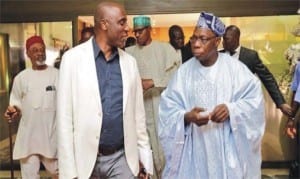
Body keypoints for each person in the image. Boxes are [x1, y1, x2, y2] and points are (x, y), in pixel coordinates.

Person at [158, 12, 265, 178]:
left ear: (217, 41)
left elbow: (255, 103)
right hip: (194, 153)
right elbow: (167, 109)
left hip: (227, 155)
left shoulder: (235, 70)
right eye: (194, 38)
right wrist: (186, 117)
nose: (196, 44)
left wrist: (231, 109)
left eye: (203, 39)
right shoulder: (183, 73)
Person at [57, 2, 153, 179]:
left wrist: (144, 160)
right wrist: (69, 173)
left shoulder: (130, 63)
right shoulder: (72, 60)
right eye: (122, 22)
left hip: (122, 160)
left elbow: (138, 117)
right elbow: (64, 120)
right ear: (104, 24)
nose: (128, 28)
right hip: (84, 161)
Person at [126, 15, 181, 179]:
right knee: (143, 153)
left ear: (150, 29)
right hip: (139, 111)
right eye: (135, 32)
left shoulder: (165, 49)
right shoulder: (128, 54)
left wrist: (152, 82)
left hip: (160, 109)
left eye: (140, 31)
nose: (137, 35)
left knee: (163, 151)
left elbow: (176, 77)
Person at [3, 35, 59, 179]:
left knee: (60, 174)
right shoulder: (21, 78)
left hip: (51, 137)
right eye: (34, 50)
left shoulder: (57, 75)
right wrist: (13, 110)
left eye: (42, 49)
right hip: (29, 138)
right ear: (27, 54)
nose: (39, 53)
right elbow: (15, 103)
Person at [221, 25, 292, 116]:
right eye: (223, 38)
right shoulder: (218, 56)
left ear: (236, 38)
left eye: (226, 39)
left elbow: (267, 78)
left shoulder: (251, 56)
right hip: (222, 107)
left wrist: (281, 103)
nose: (223, 42)